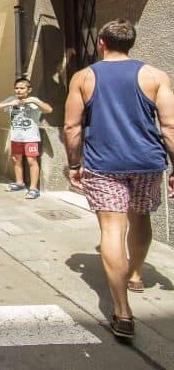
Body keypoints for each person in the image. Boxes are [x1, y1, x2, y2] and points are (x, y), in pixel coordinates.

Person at [64, 19, 174, 339]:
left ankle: (122, 312)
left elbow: (72, 127)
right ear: (131, 43)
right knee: (140, 217)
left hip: (104, 164)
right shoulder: (155, 76)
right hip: (147, 162)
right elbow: (169, 127)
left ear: (101, 43)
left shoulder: (84, 77)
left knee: (112, 228)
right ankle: (137, 274)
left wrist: (74, 164)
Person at [0, 77, 53, 199]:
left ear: (28, 89)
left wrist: (35, 102)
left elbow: (49, 109)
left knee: (31, 161)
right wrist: (11, 103)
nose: (19, 90)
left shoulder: (33, 100)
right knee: (16, 160)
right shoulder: (11, 99)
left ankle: (33, 188)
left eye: (22, 88)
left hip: (30, 137)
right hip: (16, 137)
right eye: (16, 88)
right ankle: (19, 182)